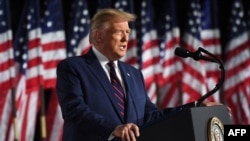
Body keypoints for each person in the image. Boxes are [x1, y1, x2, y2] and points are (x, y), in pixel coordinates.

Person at [56, 8, 226, 141]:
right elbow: (75, 110)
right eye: (118, 32)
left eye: (127, 32)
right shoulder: (73, 68)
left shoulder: (134, 74)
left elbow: (151, 116)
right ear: (98, 36)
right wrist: (112, 129)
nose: (125, 39)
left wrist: (196, 107)